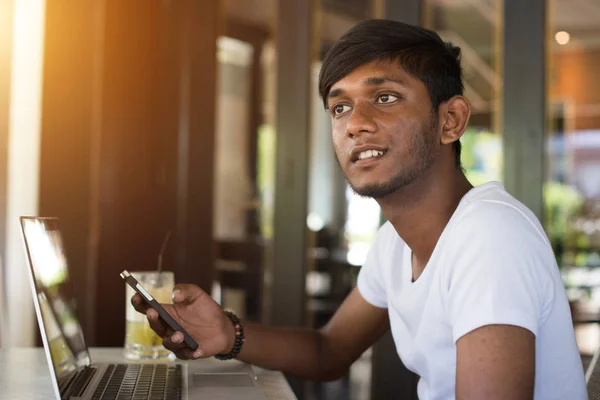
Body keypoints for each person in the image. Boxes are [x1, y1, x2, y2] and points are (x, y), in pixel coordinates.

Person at [132, 19, 587, 399]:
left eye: (385, 98)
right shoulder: (396, 242)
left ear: (450, 120)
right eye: (340, 107)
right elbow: (329, 352)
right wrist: (228, 335)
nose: (356, 124)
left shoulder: (490, 235)